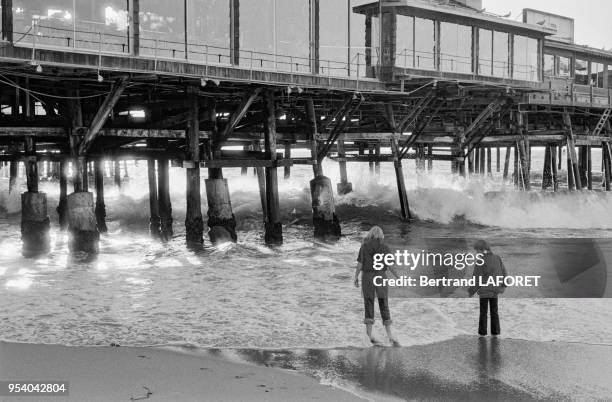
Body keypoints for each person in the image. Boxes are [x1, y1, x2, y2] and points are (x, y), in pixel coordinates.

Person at [354, 226, 400, 346]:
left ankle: (369, 336)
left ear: (370, 234)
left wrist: (356, 277)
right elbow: (390, 265)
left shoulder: (364, 246)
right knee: (384, 304)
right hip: (380, 277)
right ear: (381, 236)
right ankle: (390, 336)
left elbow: (360, 263)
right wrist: (398, 277)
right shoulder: (385, 248)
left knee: (369, 304)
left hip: (368, 277)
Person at [469, 240, 507, 336]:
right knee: (494, 312)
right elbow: (504, 273)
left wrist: (471, 292)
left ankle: (482, 334)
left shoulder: (480, 261)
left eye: (477, 251)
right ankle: (495, 333)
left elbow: (476, 278)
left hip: (485, 291)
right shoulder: (497, 258)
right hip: (495, 290)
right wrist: (503, 285)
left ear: (482, 250)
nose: (477, 253)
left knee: (483, 312)